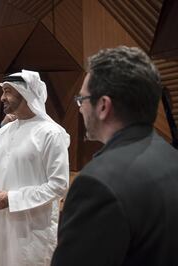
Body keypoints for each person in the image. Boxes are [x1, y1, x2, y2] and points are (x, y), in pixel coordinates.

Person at [51, 46, 178, 266]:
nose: (80, 109)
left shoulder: (95, 184)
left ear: (103, 106)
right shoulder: (171, 156)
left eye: (82, 100)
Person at [0, 70, 70, 266]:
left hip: (31, 228)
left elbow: (59, 184)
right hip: (0, 223)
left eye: (7, 91)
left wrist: (12, 198)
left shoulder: (51, 133)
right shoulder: (7, 130)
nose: (2, 98)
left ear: (25, 93)